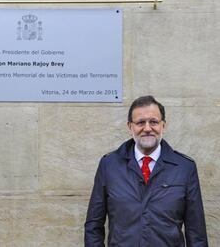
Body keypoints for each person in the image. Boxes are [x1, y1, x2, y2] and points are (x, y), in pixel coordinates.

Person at [84, 95, 208, 247]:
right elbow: (93, 227)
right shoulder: (109, 165)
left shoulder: (184, 168)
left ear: (163, 125)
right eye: (140, 122)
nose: (147, 128)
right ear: (130, 126)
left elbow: (197, 234)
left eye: (154, 122)